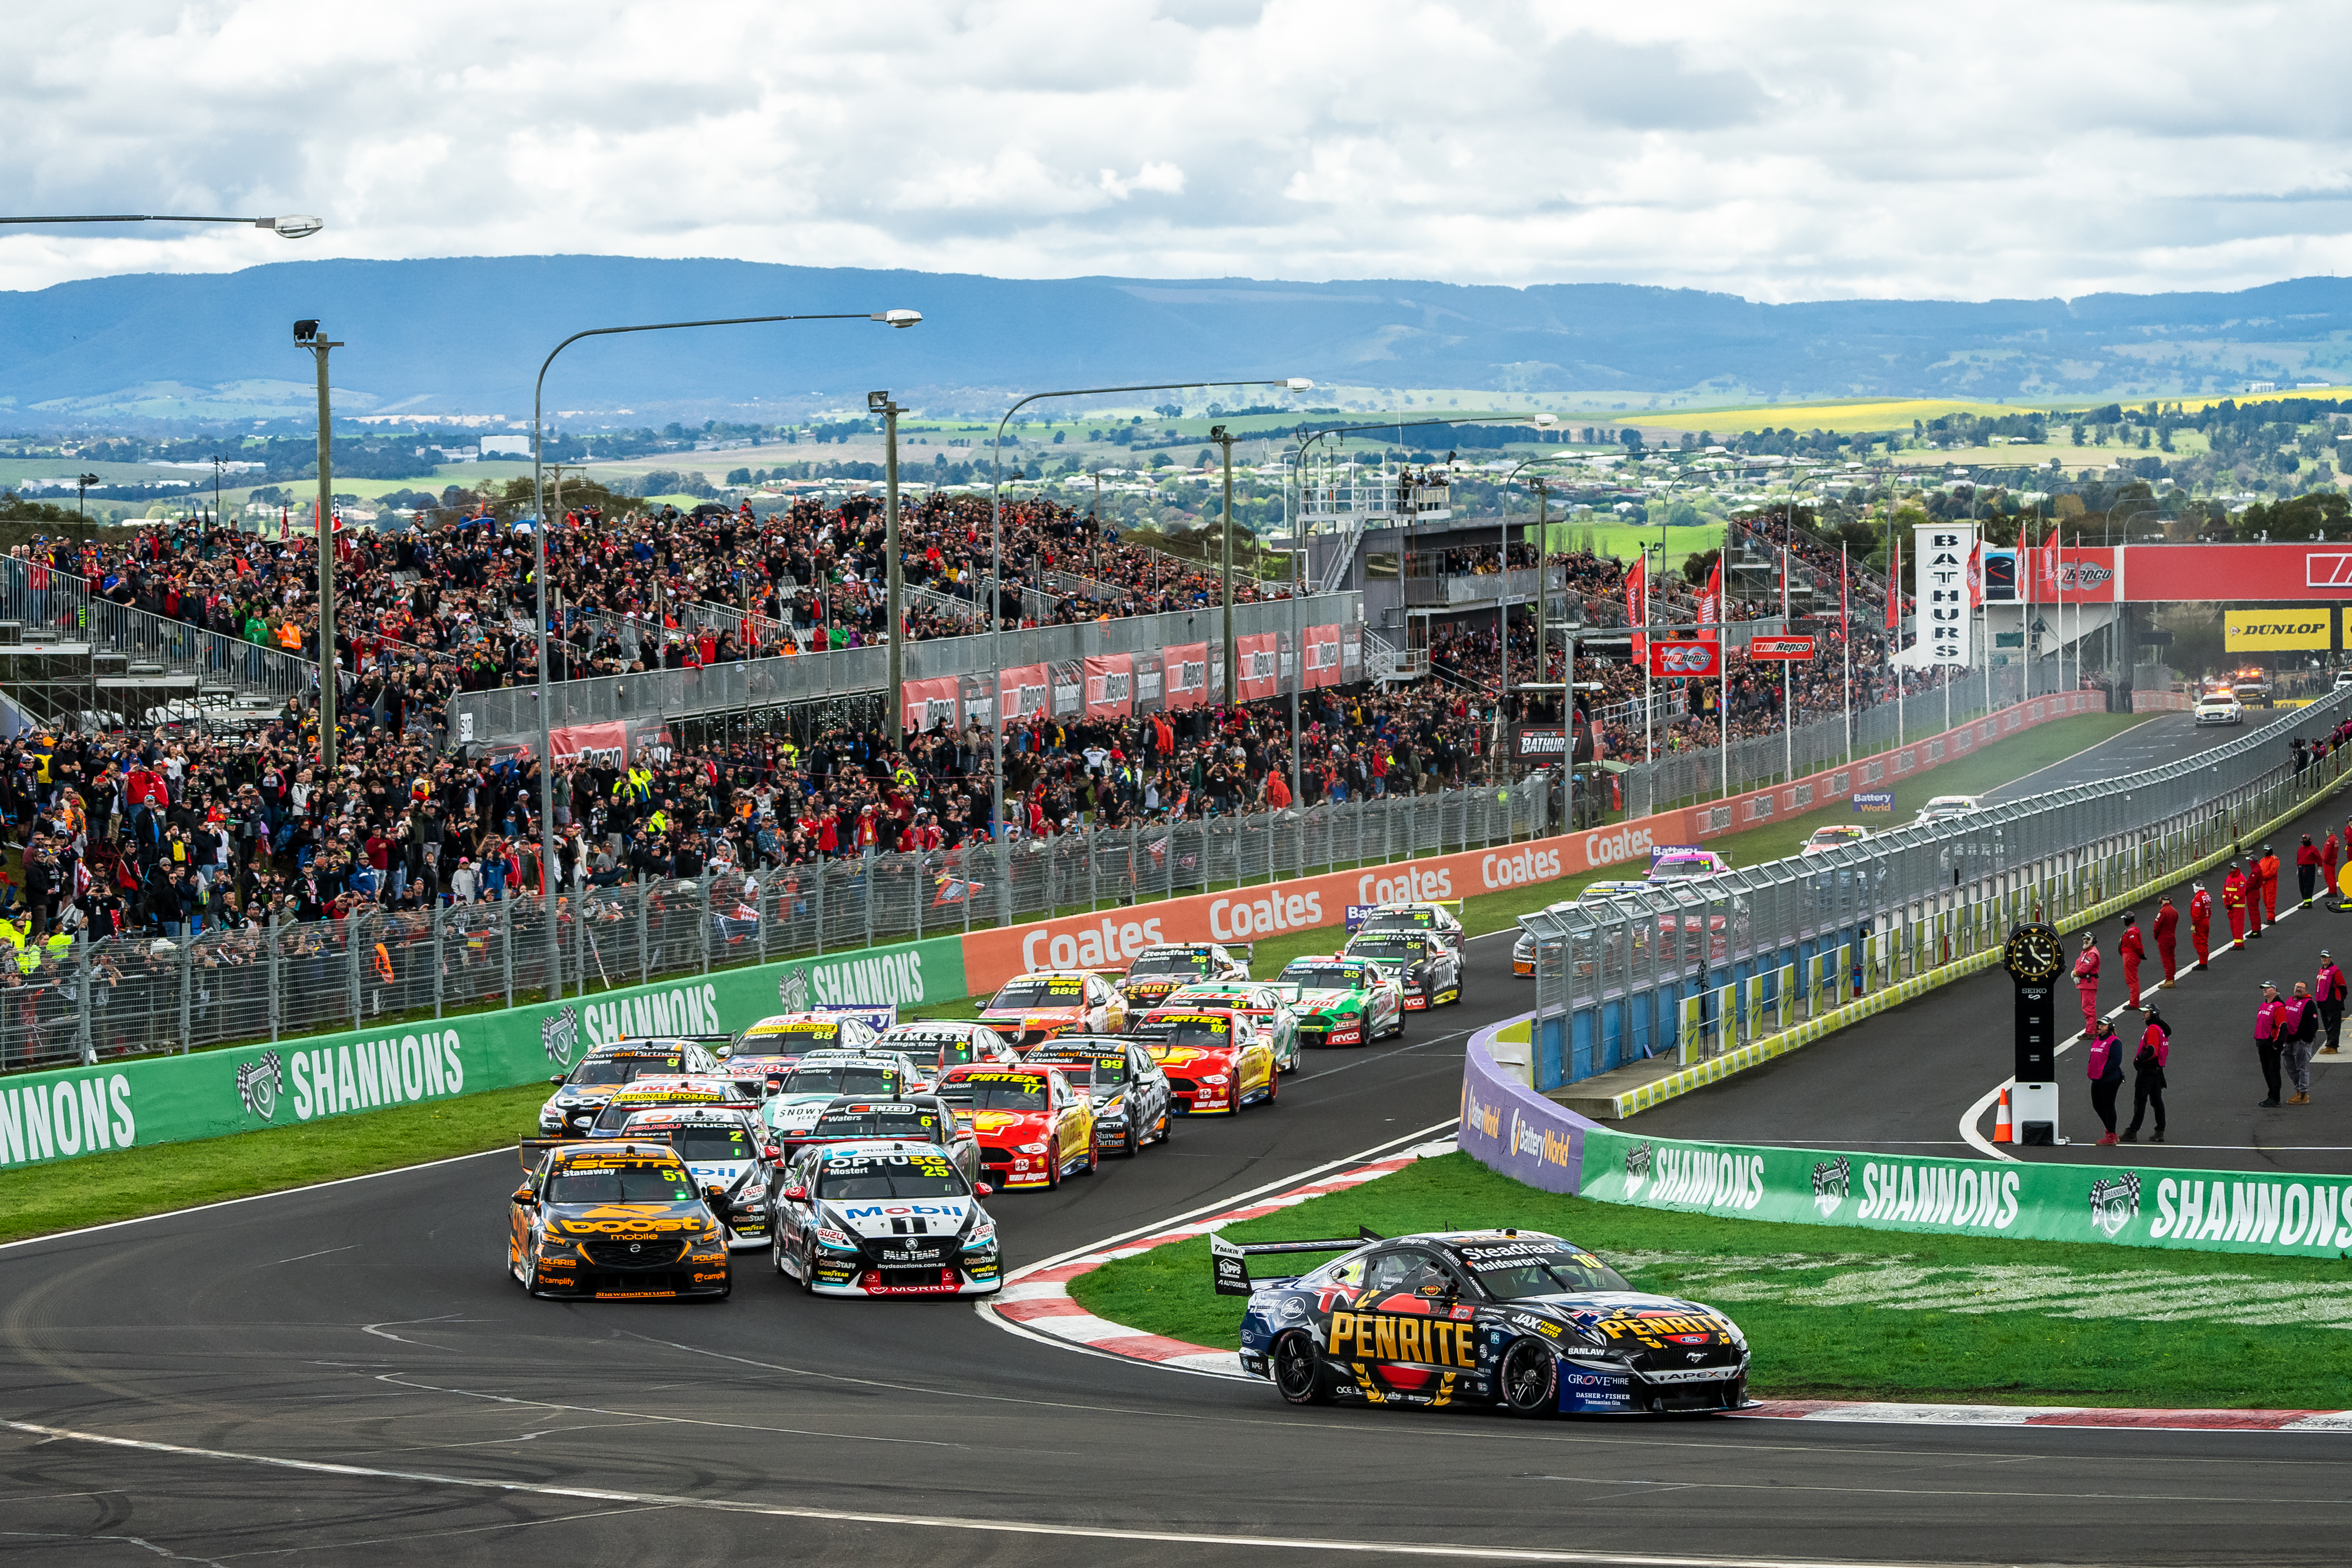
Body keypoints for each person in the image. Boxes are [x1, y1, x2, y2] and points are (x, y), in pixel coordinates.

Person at [2122, 1004, 2170, 1144]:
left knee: (2140, 1100)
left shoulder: (2153, 1029)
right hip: (2157, 1070)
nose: (2144, 1015)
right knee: (2156, 1101)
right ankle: (2160, 1131)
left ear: (2153, 1014)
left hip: (2148, 1070)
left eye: (2147, 1013)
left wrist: (2138, 1059)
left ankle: (2132, 1132)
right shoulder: (2162, 1029)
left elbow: (2152, 1051)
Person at [2086, 1017, 2124, 1146]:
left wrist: (2103, 1071)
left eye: (2104, 1024)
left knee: (2108, 1106)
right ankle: (2111, 1132)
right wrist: (2091, 1068)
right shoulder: (2097, 1039)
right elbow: (2093, 1057)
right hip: (2096, 1078)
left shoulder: (2114, 1041)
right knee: (2097, 1105)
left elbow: (2116, 1061)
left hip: (2109, 1079)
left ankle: (2110, 1135)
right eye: (2099, 1024)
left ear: (2110, 1026)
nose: (2101, 1026)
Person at [2286, 981, 2321, 1105]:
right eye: (2297, 987)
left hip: (2301, 1041)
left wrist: (2306, 1039)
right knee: (2289, 1066)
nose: (2299, 990)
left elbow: (2314, 1024)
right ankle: (2298, 1090)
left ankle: (2303, 1094)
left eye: (2302, 988)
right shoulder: (2289, 1000)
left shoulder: (2309, 1003)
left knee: (2302, 1067)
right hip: (2288, 1040)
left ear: (2306, 990)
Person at [2255, 981, 2288, 1109]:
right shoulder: (2263, 1005)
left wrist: (2277, 1043)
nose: (2264, 990)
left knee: (2273, 1071)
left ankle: (2275, 1098)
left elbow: (2283, 1026)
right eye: (2263, 988)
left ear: (2274, 990)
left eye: (2267, 988)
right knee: (2266, 1071)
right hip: (2262, 1042)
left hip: (2271, 1043)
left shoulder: (2278, 1006)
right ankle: (2271, 1095)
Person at [2318, 950, 2347, 1055]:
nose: (2324, 959)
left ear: (2330, 958)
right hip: (2323, 1003)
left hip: (2334, 1003)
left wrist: (2339, 999)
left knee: (2334, 1025)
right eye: (2322, 957)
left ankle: (2332, 1046)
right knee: (2327, 1024)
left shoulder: (2335, 970)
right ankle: (2330, 1044)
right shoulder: (2321, 970)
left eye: (2326, 957)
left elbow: (2343, 986)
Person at [2072, 932, 2101, 1033]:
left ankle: (2091, 1032)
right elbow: (2079, 963)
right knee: (2087, 1008)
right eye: (2084, 939)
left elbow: (2085, 968)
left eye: (2088, 939)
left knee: (2088, 1008)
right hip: (2084, 983)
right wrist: (2075, 973)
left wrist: (2075, 973)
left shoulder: (2092, 953)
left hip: (2089, 983)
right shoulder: (2085, 952)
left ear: (2093, 940)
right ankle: (2092, 1030)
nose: (2085, 941)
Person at [2117, 912, 2144, 1009]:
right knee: (2132, 980)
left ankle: (2134, 1003)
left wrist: (2141, 953)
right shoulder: (2132, 929)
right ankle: (2134, 1001)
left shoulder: (2132, 931)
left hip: (2130, 957)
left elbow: (2136, 945)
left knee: (2132, 981)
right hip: (2130, 956)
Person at [2153, 894, 2179, 987]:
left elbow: (2156, 927)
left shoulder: (2163, 912)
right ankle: (2172, 977)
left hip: (2164, 938)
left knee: (2166, 959)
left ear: (2161, 901)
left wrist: (2156, 936)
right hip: (2172, 937)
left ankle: (2169, 980)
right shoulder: (2174, 911)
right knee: (2172, 957)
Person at [2222, 862, 2250, 948]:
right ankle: (2236, 942)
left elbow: (2240, 893)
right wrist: (2225, 902)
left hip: (2238, 906)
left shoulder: (2241, 879)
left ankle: (2239, 944)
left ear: (2238, 868)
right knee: (2233, 924)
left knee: (2238, 924)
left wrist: (2232, 902)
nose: (2233, 869)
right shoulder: (2228, 878)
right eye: (2231, 867)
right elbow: (2224, 890)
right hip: (2230, 906)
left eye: (2234, 868)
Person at [2257, 843, 2281, 931]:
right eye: (2265, 850)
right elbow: (2259, 870)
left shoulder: (2274, 860)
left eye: (2267, 850)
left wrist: (2263, 877)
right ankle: (2269, 917)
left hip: (2271, 882)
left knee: (2270, 900)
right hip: (2264, 883)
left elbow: (2273, 871)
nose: (2266, 852)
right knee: (2265, 901)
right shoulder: (2263, 860)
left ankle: (2271, 918)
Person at [2190, 881, 2213, 969]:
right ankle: (2204, 961)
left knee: (2199, 942)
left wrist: (2194, 924)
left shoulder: (2198, 897)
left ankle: (2203, 963)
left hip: (2200, 922)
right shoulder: (2207, 895)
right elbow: (2209, 911)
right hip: (2206, 920)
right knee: (2204, 941)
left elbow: (2196, 913)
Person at [2299, 834, 2323, 908]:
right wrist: (2299, 868)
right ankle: (2305, 901)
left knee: (2308, 885)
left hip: (2309, 868)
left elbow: (2319, 858)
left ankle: (2308, 903)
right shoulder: (2301, 849)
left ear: (2310, 840)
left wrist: (2320, 869)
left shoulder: (2313, 849)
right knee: (2302, 886)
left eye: (2307, 839)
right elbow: (2299, 859)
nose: (2305, 841)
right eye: (2304, 839)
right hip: (2301, 868)